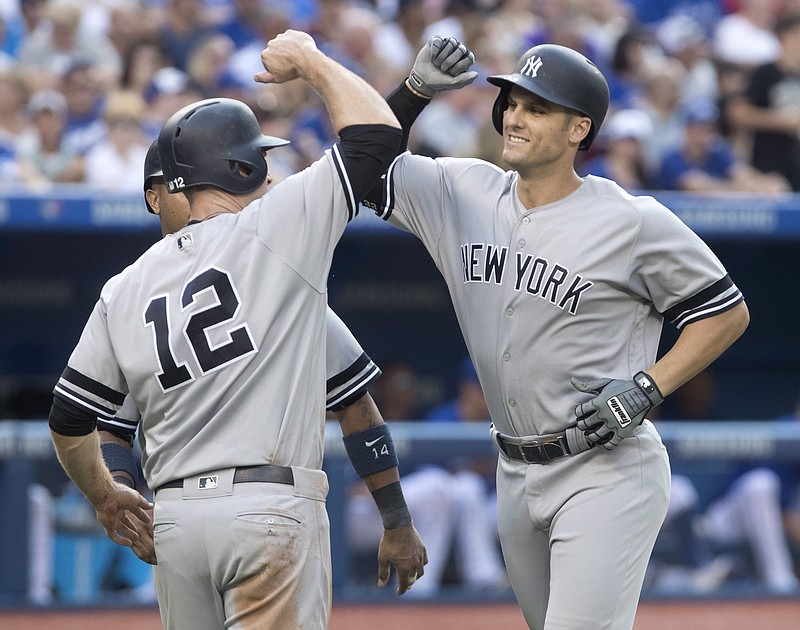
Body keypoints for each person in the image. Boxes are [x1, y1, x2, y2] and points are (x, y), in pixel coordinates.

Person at [364, 39, 750, 629]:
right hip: (514, 468)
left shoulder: (632, 220)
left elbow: (726, 313)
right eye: (512, 103)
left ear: (579, 129)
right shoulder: (464, 190)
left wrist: (649, 386)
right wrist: (412, 95)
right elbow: (366, 169)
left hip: (604, 466)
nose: (515, 117)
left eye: (537, 108)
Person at [48, 29, 426, 629]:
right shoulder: (275, 236)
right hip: (269, 510)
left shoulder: (122, 288)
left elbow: (70, 420)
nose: (271, 171)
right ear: (241, 166)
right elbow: (375, 138)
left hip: (176, 524)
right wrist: (308, 59)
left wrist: (106, 494)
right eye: (262, 159)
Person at [726, 12, 800, 192]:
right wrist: (782, 121)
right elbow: (737, 112)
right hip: (769, 168)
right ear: (784, 37)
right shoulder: (765, 73)